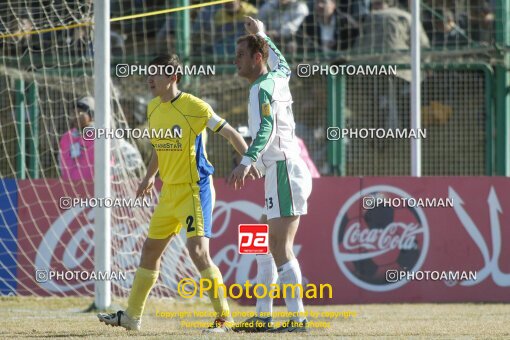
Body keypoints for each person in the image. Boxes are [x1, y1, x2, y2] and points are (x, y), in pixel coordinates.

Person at [97, 54, 258, 332]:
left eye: (156, 74)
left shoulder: (194, 107)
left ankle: (224, 318)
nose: (150, 79)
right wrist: (149, 176)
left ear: (173, 77)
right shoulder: (152, 108)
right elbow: (160, 148)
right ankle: (132, 317)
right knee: (150, 250)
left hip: (195, 190)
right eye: (149, 73)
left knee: (197, 251)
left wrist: (248, 161)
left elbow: (231, 133)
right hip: (168, 192)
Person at [229, 17, 313, 333]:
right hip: (278, 170)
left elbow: (268, 127)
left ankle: (298, 318)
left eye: (240, 55)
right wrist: (261, 32)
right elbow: (284, 63)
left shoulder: (262, 87)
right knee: (260, 243)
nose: (234, 61)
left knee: (279, 245)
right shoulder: (278, 76)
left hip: (283, 169)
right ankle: (263, 316)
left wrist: (247, 160)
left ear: (256, 58)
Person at [59, 97, 95, 181]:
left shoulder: (102, 135)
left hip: (97, 188)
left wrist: (111, 173)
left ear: (91, 116)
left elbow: (130, 155)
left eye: (80, 112)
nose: (75, 116)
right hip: (71, 188)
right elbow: (61, 163)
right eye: (74, 112)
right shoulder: (66, 137)